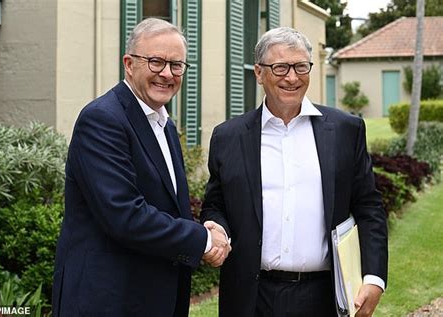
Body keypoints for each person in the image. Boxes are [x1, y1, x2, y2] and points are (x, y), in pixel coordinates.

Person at [201, 26, 388, 317]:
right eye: (280, 68)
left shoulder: (345, 130)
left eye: (301, 66)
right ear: (259, 73)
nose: (292, 77)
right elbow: (216, 205)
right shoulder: (228, 136)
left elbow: (369, 207)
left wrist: (374, 278)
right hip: (250, 297)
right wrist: (217, 228)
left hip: (324, 296)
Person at [52, 18, 230, 317]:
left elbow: (167, 205)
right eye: (156, 62)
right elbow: (124, 214)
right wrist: (202, 239)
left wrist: (207, 226)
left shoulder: (163, 123)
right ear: (129, 63)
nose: (167, 73)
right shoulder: (103, 119)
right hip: (108, 300)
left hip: (153, 297)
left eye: (176, 65)